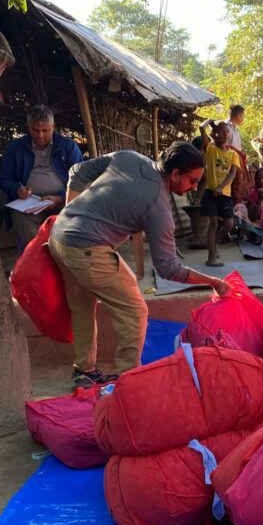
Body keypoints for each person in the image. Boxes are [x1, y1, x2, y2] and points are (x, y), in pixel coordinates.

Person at [49, 142, 228, 388]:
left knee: (82, 307)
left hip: (59, 237)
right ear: (175, 174)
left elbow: (77, 172)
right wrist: (212, 281)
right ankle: (129, 383)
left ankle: (84, 371)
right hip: (88, 249)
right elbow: (168, 268)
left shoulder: (129, 158)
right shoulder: (158, 207)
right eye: (193, 180)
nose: (195, 187)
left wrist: (70, 214)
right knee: (135, 311)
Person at [0, 105, 83, 249]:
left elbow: (81, 180)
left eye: (45, 130)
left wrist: (59, 198)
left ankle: (64, 258)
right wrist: (17, 189)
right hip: (28, 203)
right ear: (28, 127)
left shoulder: (67, 146)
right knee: (31, 239)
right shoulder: (16, 148)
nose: (40, 135)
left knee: (69, 233)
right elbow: (4, 179)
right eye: (36, 130)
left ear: (53, 127)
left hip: (63, 199)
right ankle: (40, 258)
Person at [198, 121, 241, 267]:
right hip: (210, 193)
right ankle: (211, 258)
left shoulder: (233, 154)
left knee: (229, 224)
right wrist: (210, 122)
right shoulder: (210, 149)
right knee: (214, 223)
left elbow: (232, 174)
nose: (225, 134)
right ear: (214, 135)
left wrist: (221, 187)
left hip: (225, 194)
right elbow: (201, 127)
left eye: (227, 132)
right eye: (221, 132)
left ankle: (214, 242)